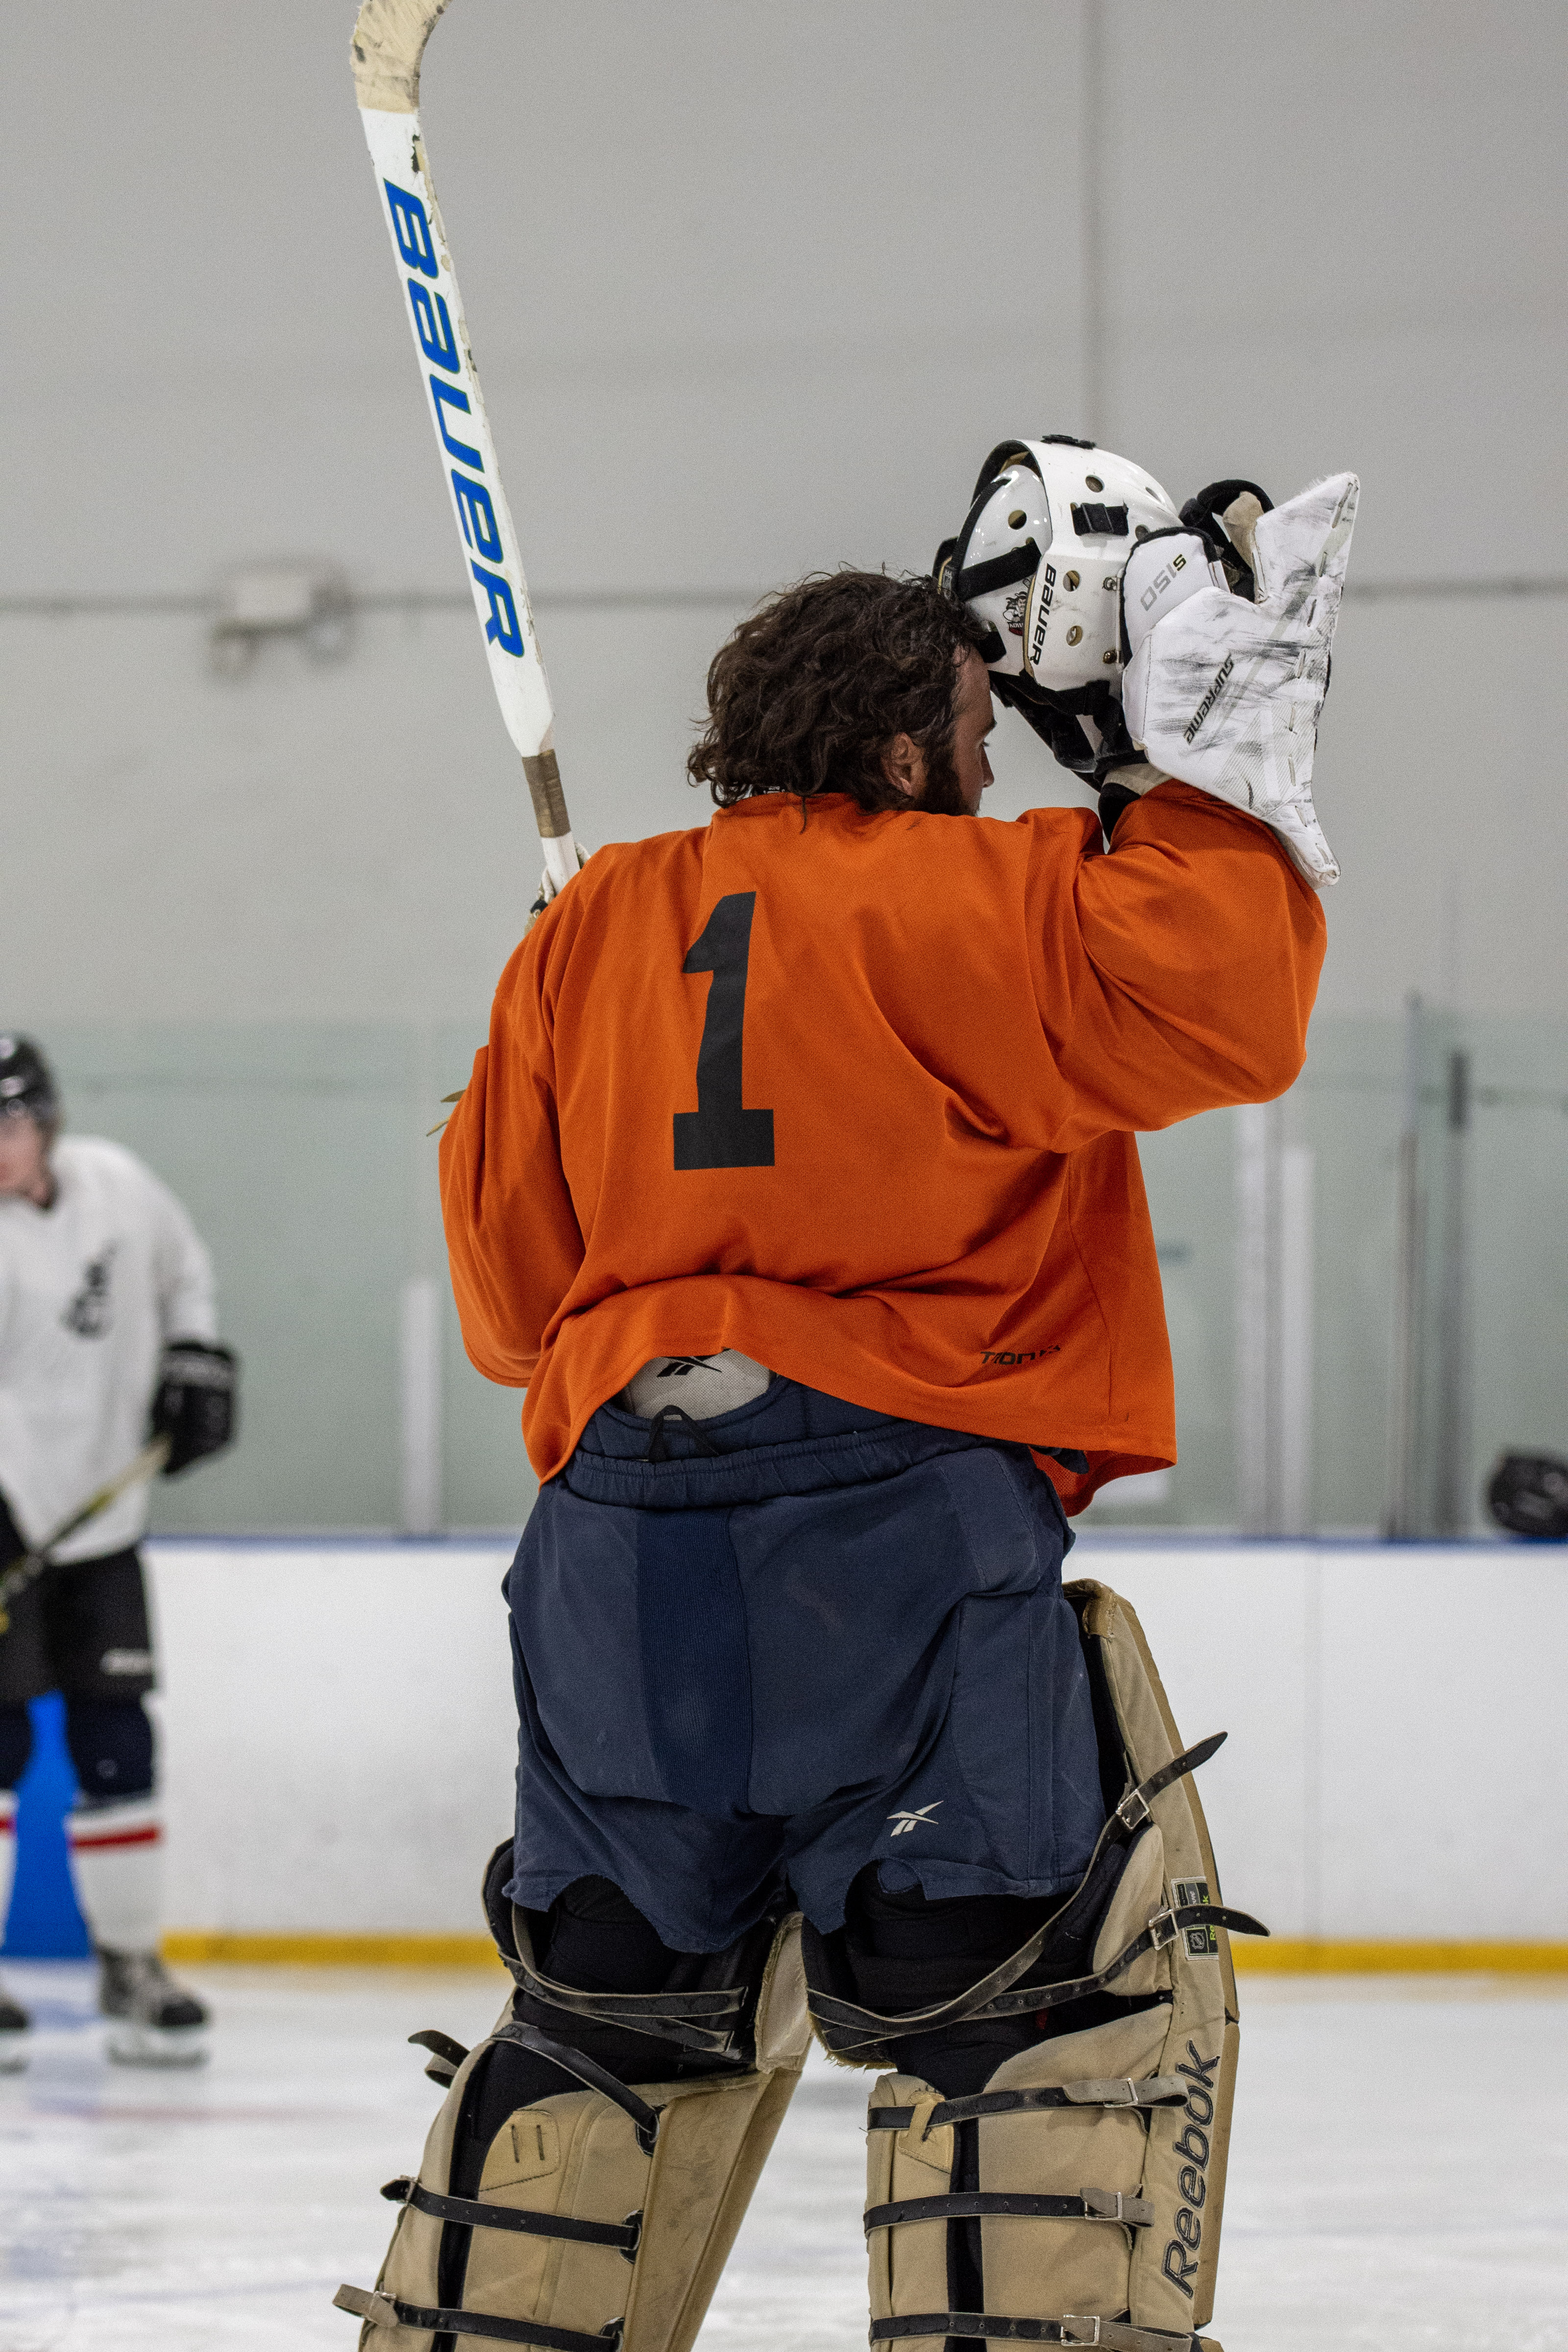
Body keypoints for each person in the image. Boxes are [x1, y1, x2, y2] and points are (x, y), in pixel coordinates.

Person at [336, 443, 1354, 2352]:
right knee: (1018, 2013)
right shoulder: (969, 894)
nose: (991, 766)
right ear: (902, 753)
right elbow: (1229, 995)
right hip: (891, 1528)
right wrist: (1173, 781)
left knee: (610, 2015)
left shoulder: (586, 931)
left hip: (614, 1541)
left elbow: (512, 1304)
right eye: (974, 733)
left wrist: (558, 1034)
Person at [0, 1036, 237, 2067]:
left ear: (45, 1120)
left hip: (104, 1524)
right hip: (7, 1511)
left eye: (10, 1121)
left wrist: (197, 1356)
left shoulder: (118, 1185)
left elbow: (187, 1274)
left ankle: (131, 1968)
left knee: (118, 1743)